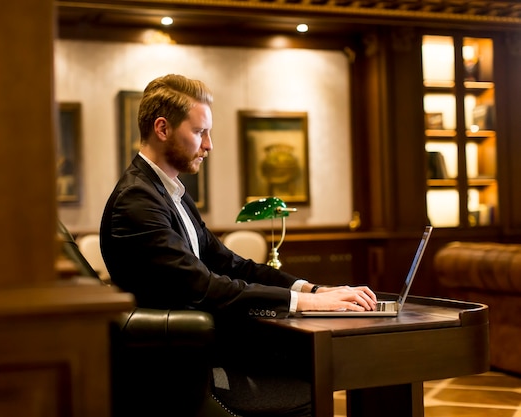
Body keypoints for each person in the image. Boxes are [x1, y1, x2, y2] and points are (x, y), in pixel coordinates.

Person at [100, 74, 378, 416]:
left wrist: (313, 290)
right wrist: (302, 302)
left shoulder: (168, 193)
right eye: (200, 132)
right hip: (179, 370)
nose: (209, 145)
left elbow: (231, 264)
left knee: (321, 364)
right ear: (162, 128)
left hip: (206, 349)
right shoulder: (137, 202)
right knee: (310, 373)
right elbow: (202, 288)